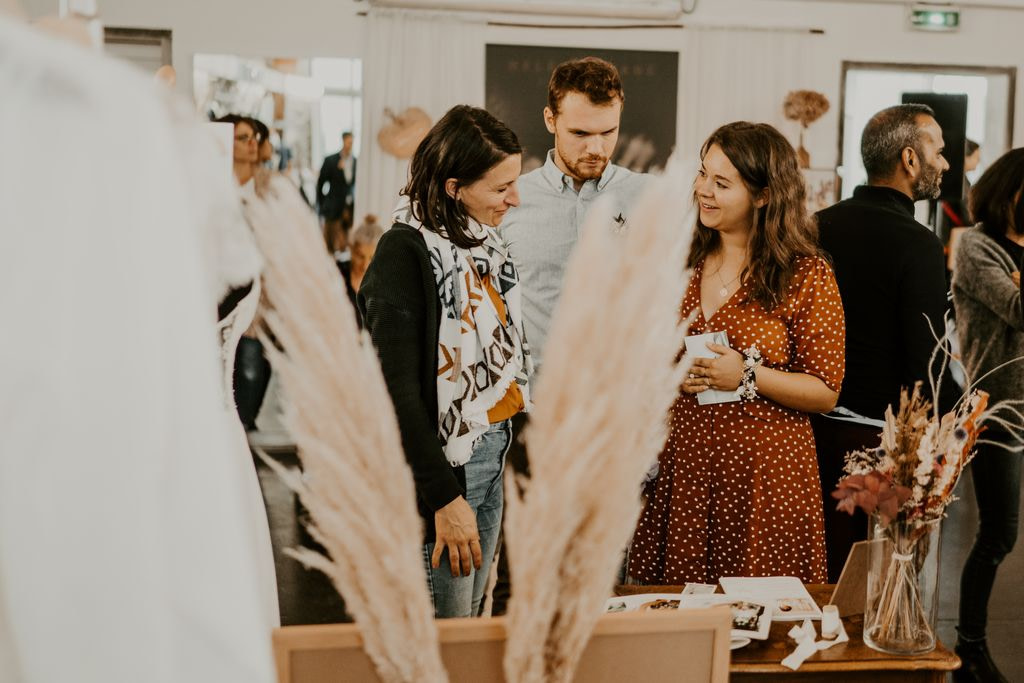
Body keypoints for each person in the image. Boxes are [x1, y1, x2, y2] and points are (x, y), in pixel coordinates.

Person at [630, 121, 845, 585]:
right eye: (703, 174)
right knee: (679, 611)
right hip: (685, 470)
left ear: (764, 195)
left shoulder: (805, 275)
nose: (703, 190)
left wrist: (747, 375)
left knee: (758, 611)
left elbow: (825, 391)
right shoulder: (680, 262)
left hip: (764, 480)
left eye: (722, 183)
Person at [357, 105, 531, 618]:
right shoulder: (402, 254)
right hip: (446, 472)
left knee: (470, 625)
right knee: (446, 634)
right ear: (455, 188)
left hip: (490, 453)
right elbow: (396, 395)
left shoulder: (481, 244)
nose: (515, 199)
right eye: (502, 188)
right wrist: (442, 498)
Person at [492, 56, 651, 614]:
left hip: (616, 419)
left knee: (606, 582)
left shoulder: (652, 199)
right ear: (550, 120)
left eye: (608, 132)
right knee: (520, 578)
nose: (596, 148)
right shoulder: (511, 199)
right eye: (581, 133)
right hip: (531, 418)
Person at [813, 103, 955, 582]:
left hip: (808, 430)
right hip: (878, 444)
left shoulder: (815, 226)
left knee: (819, 570)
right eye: (938, 150)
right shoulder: (919, 244)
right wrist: (935, 451)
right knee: (873, 579)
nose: (945, 162)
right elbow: (925, 364)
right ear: (910, 159)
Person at [951, 148, 1024, 683]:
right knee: (998, 534)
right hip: (998, 408)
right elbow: (1019, 311)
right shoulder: (978, 246)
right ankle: (969, 647)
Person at [317, 130, 357, 252]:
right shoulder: (331, 160)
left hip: (349, 207)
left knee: (346, 243)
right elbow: (320, 183)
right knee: (330, 243)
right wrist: (323, 204)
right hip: (333, 207)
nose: (350, 145)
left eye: (352, 142)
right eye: (348, 142)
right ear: (343, 141)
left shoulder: (356, 161)